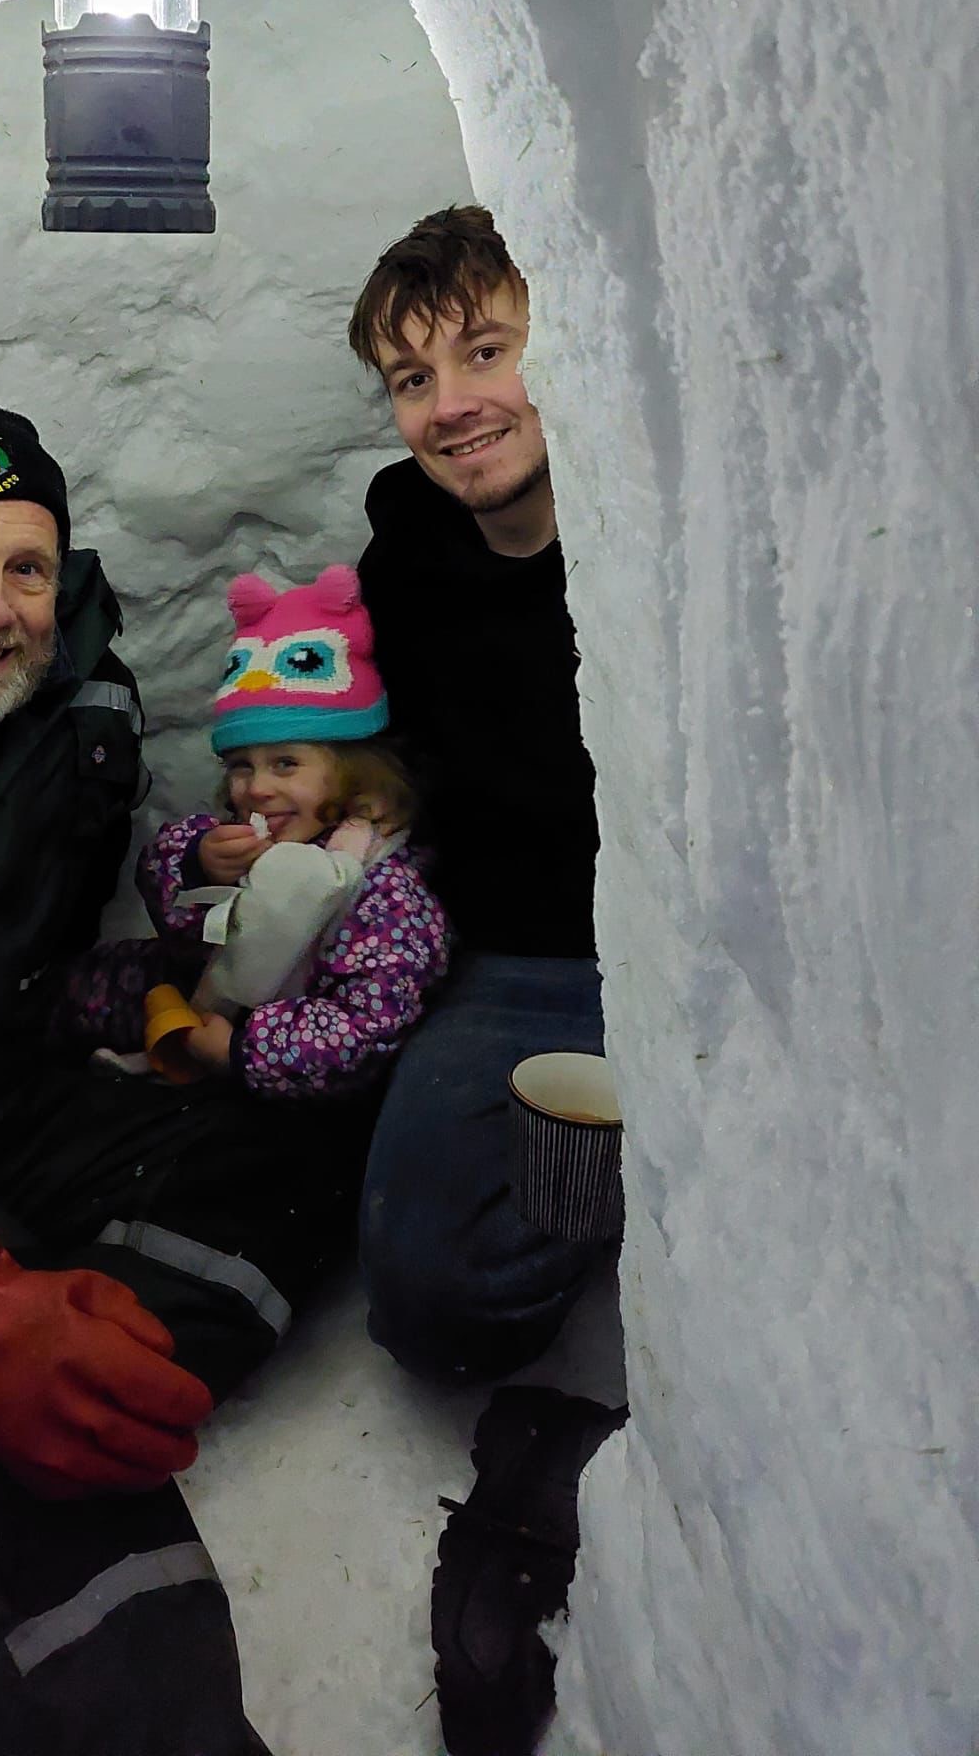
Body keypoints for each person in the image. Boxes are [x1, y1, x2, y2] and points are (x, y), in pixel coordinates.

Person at [0, 395, 370, 1756]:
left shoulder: (85, 690)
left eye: (28, 566)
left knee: (308, 1129)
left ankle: (58, 1365)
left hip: (22, 1097)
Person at [347, 208, 624, 1756]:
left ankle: (636, 1173)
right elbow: (399, 754)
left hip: (684, 956)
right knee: (432, 1295)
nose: (451, 403)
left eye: (486, 351)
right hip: (526, 963)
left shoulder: (650, 520)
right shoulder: (413, 554)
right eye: (411, 377)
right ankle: (604, 1181)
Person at [58, 564, 452, 1096]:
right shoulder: (252, 836)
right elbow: (178, 916)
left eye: (286, 764)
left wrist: (242, 1047)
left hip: (272, 1048)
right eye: (242, 766)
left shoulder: (384, 893)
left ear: (355, 771)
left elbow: (366, 1027)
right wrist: (199, 862)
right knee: (88, 984)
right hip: (193, 992)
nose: (257, 788)